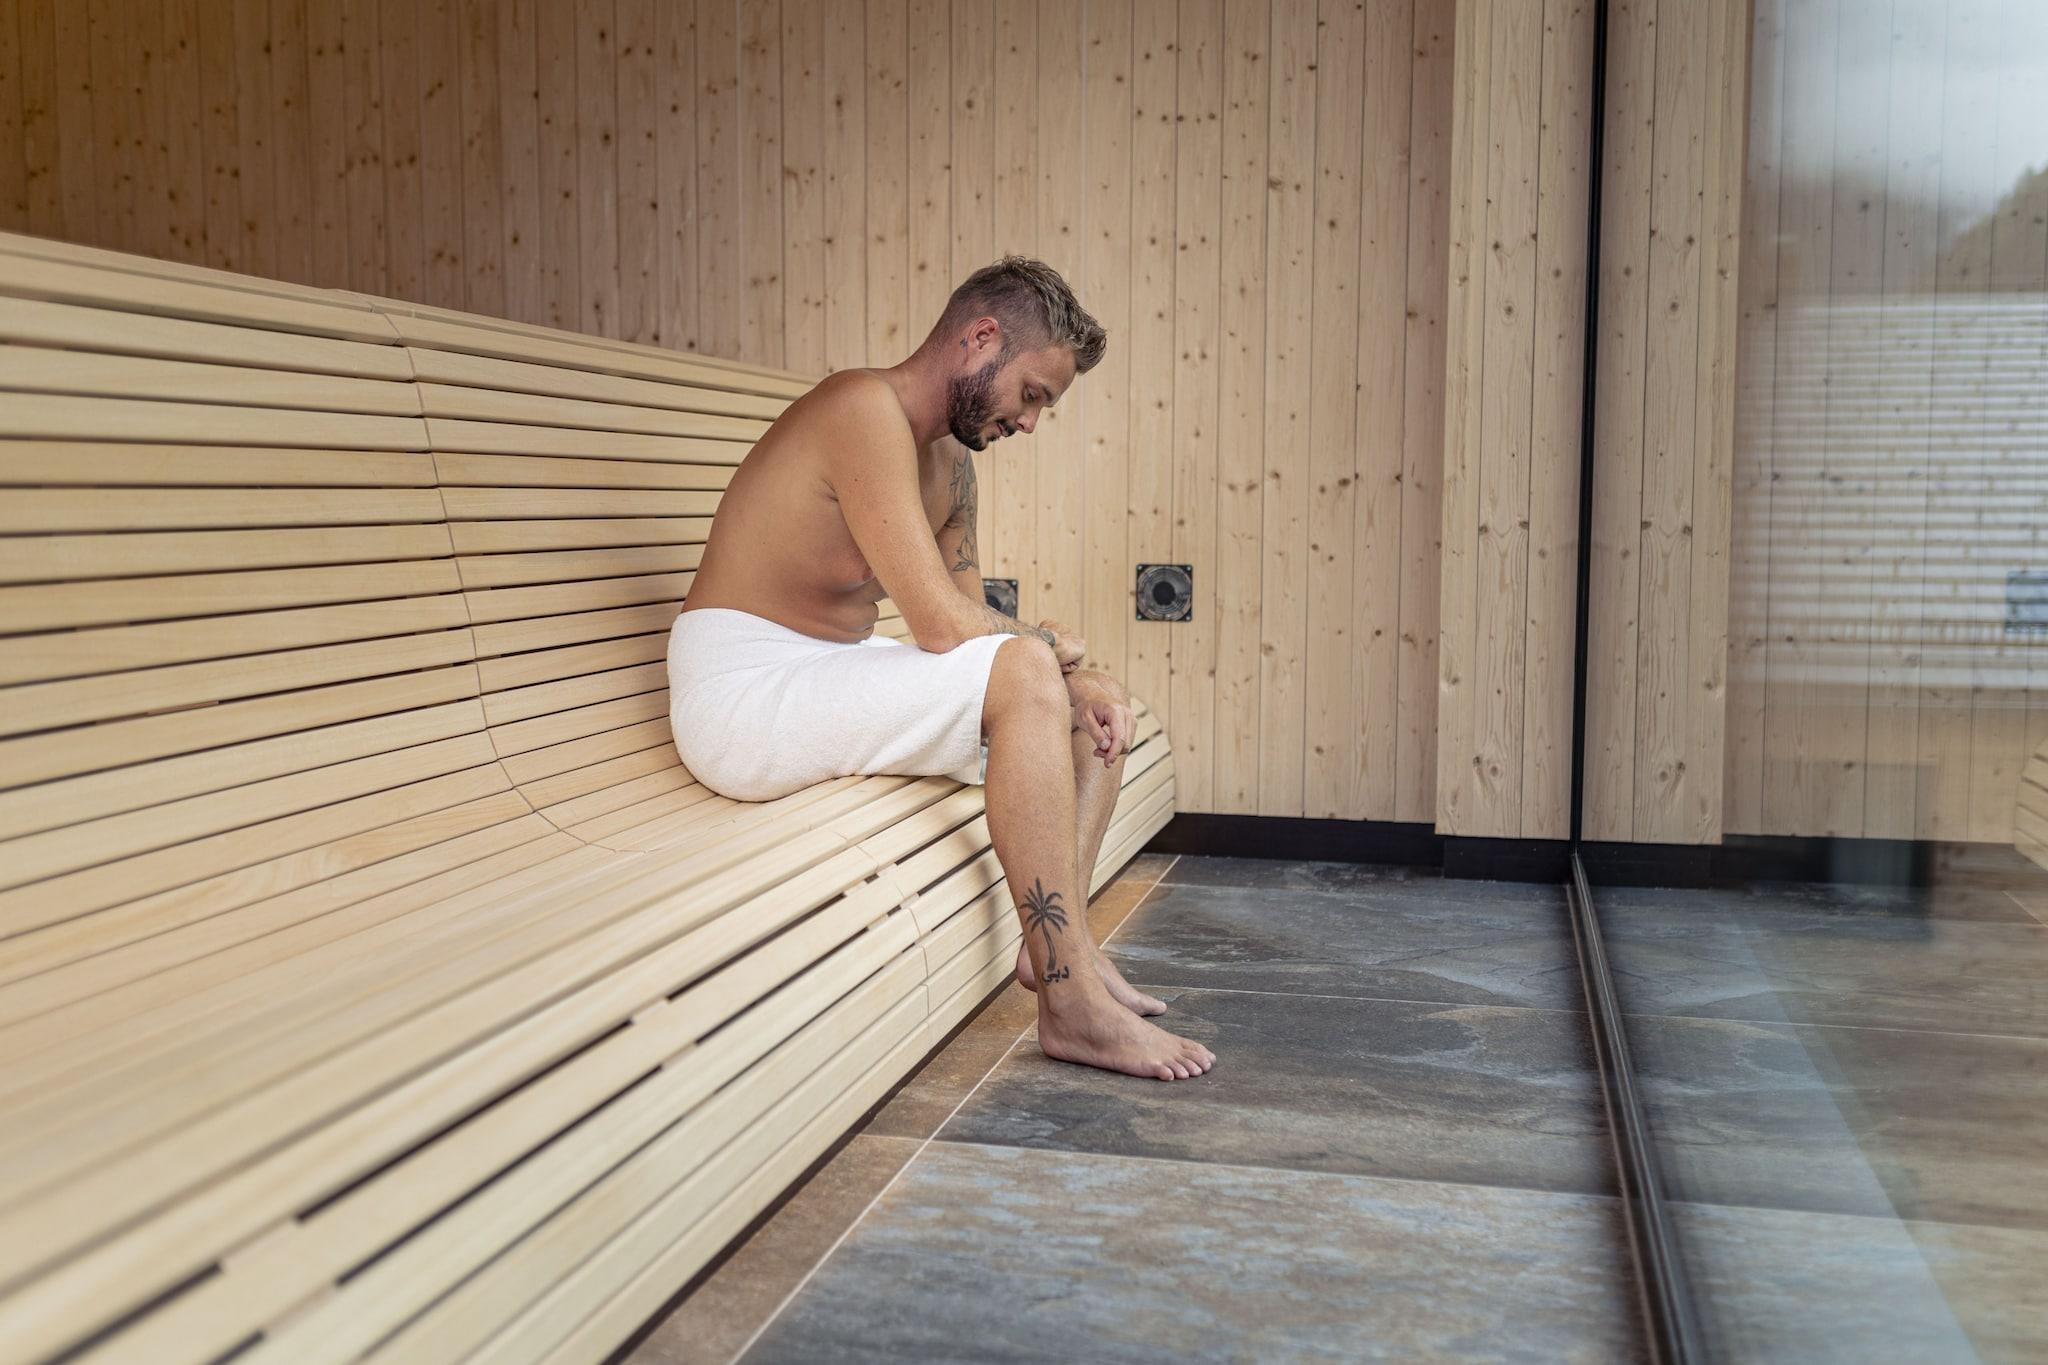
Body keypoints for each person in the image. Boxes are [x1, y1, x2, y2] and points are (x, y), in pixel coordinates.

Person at [669, 256, 1216, 1082]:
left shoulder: (952, 468)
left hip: (827, 669)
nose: (1029, 423)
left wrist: (1072, 677)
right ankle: (1071, 1001)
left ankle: (1059, 949)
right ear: (981, 338)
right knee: (1035, 672)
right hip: (743, 689)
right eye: (1031, 394)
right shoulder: (860, 408)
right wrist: (1048, 653)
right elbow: (941, 623)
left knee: (1095, 706)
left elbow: (967, 634)